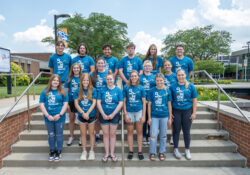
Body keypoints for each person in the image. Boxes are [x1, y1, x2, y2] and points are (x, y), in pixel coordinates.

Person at [170, 69, 198, 160]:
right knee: (176, 131)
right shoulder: (172, 86)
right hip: (176, 111)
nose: (181, 77)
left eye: (182, 75)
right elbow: (170, 101)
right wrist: (170, 113)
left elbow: (194, 100)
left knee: (186, 131)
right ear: (176, 76)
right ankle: (176, 149)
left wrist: (194, 113)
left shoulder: (190, 86)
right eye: (179, 75)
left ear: (185, 75)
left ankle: (187, 149)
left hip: (187, 111)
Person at [39, 74, 68, 162]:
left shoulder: (63, 91)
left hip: (60, 117)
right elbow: (41, 104)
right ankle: (52, 151)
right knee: (51, 134)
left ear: (59, 82)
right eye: (54, 80)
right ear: (51, 81)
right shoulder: (45, 92)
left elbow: (65, 104)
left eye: (57, 80)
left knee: (59, 134)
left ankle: (59, 151)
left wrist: (60, 115)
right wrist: (48, 115)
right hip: (48, 117)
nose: (55, 82)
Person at [97, 71, 123, 162]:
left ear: (114, 79)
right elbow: (98, 102)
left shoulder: (118, 90)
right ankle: (106, 153)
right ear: (106, 80)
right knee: (106, 134)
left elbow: (120, 103)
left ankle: (112, 153)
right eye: (108, 79)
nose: (109, 80)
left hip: (114, 115)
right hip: (103, 115)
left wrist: (113, 114)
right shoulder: (102, 89)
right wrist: (103, 114)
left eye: (111, 79)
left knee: (112, 134)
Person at [147, 73, 172, 161]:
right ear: (155, 81)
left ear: (164, 80)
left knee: (163, 135)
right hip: (154, 116)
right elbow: (149, 105)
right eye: (157, 80)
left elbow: (169, 104)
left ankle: (161, 152)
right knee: (153, 135)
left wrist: (170, 117)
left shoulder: (167, 91)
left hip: (164, 116)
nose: (159, 82)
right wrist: (149, 117)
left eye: (161, 80)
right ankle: (152, 152)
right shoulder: (151, 91)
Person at [123, 71, 146, 160]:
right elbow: (124, 101)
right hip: (129, 112)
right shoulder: (126, 87)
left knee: (139, 132)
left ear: (138, 77)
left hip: (138, 111)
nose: (134, 77)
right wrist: (125, 114)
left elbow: (144, 102)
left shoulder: (141, 88)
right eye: (132, 76)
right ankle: (131, 151)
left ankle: (140, 151)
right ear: (130, 77)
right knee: (130, 132)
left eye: (135, 76)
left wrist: (143, 115)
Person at [74, 74, 97, 160]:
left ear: (89, 81)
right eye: (84, 80)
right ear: (81, 81)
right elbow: (76, 103)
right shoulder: (77, 91)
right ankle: (84, 151)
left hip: (91, 115)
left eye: (87, 80)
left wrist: (88, 113)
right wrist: (83, 113)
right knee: (83, 134)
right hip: (81, 115)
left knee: (91, 133)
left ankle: (91, 151)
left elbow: (94, 103)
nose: (85, 82)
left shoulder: (93, 90)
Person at [91, 57, 108, 144]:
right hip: (95, 98)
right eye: (99, 63)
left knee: (104, 117)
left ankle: (106, 135)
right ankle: (97, 134)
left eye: (102, 63)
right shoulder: (93, 74)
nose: (100, 65)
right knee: (97, 118)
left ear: (104, 64)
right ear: (96, 64)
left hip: (106, 98)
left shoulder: (108, 73)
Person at [64, 63, 82, 146]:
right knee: (71, 119)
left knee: (81, 120)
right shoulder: (69, 78)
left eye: (77, 68)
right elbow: (66, 92)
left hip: (80, 101)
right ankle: (71, 136)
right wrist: (66, 103)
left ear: (80, 69)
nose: (76, 69)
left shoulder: (82, 78)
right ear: (72, 69)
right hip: (71, 101)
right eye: (74, 68)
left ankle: (82, 137)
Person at [139, 60, 155, 145]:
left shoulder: (154, 77)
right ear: (143, 67)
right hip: (142, 101)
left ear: (151, 67)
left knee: (150, 118)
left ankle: (149, 134)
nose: (147, 67)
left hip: (151, 101)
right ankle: (144, 135)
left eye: (149, 66)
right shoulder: (140, 77)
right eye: (146, 66)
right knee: (144, 119)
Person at [163, 60, 177, 145]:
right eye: (165, 65)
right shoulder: (162, 76)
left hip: (174, 99)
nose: (167, 66)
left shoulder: (175, 76)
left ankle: (172, 136)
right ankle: (163, 136)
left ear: (171, 66)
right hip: (164, 99)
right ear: (164, 67)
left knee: (173, 119)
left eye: (168, 65)